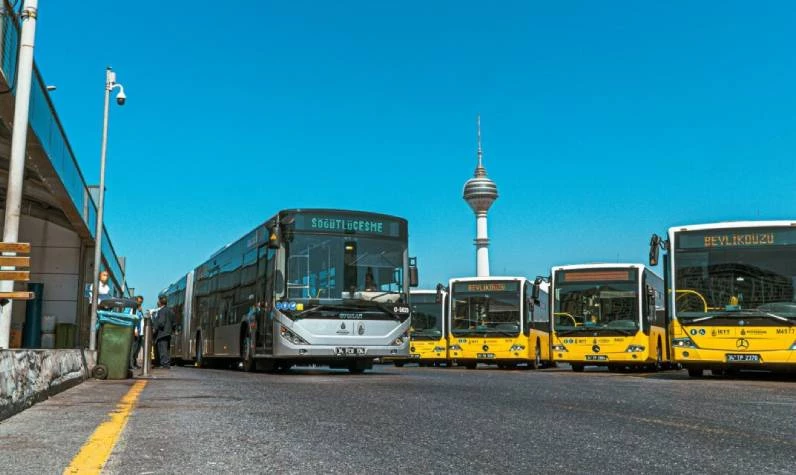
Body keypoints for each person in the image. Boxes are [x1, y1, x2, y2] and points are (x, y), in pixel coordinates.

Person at [152, 295, 174, 369]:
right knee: (167, 349)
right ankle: (167, 363)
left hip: (162, 333)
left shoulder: (161, 311)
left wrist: (155, 327)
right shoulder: (171, 311)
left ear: (160, 302)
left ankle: (164, 364)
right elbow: (174, 323)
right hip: (168, 333)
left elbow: (161, 322)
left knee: (162, 349)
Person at [129, 296, 144, 370]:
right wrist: (135, 330)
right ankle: (131, 364)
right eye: (139, 301)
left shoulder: (139, 310)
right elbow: (133, 320)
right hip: (135, 331)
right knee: (133, 349)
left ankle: (134, 363)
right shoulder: (133, 310)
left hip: (140, 332)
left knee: (137, 349)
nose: (140, 303)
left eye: (141, 302)